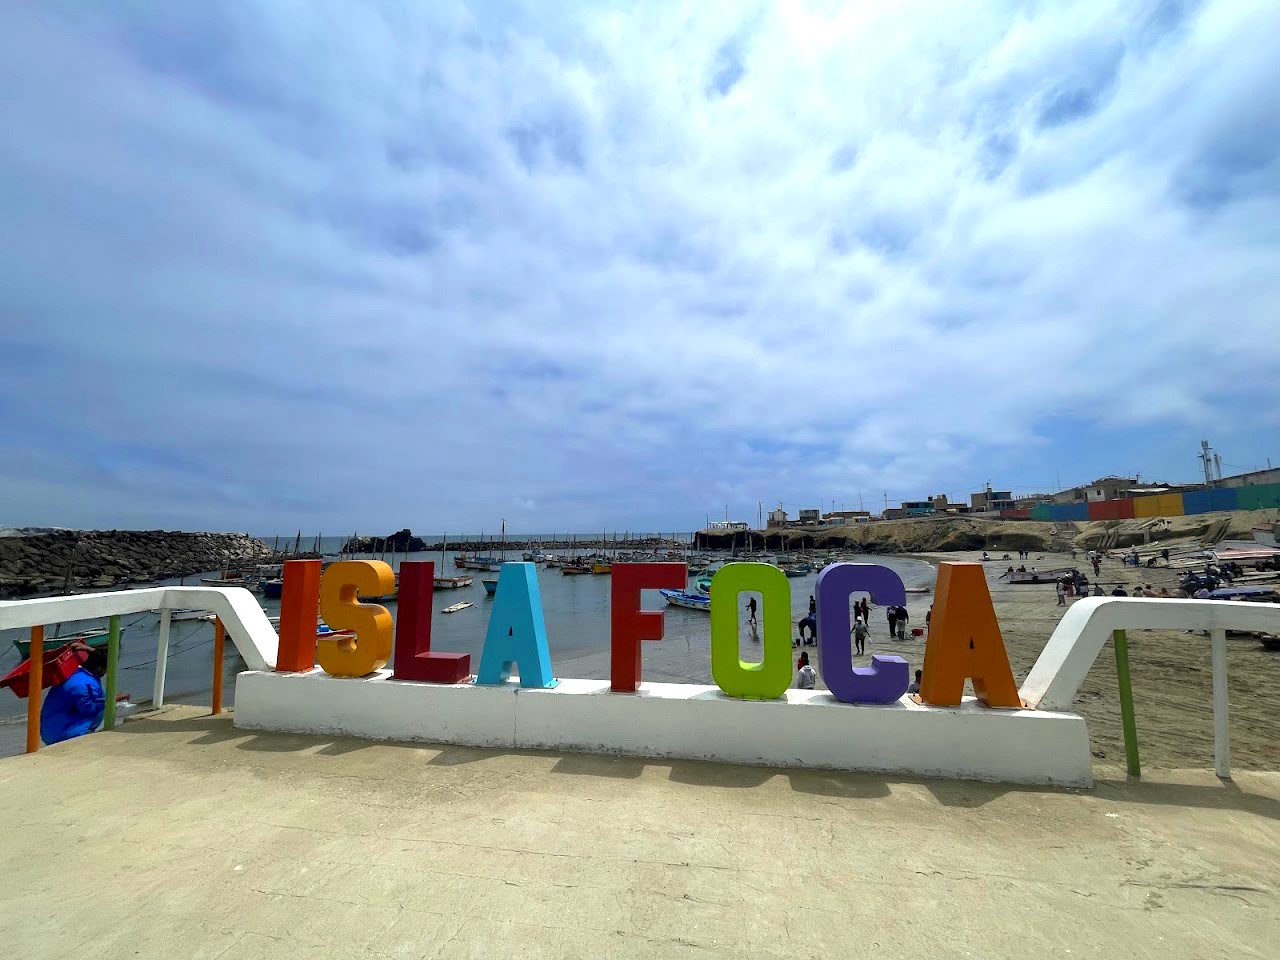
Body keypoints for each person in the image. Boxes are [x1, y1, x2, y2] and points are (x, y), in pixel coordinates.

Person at [40, 647, 108, 746]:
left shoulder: (78, 672)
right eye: (106, 669)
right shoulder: (85, 685)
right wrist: (115, 699)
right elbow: (89, 709)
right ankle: (85, 733)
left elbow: (100, 657)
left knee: (101, 693)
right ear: (99, 669)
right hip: (62, 733)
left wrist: (88, 649)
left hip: (52, 727)